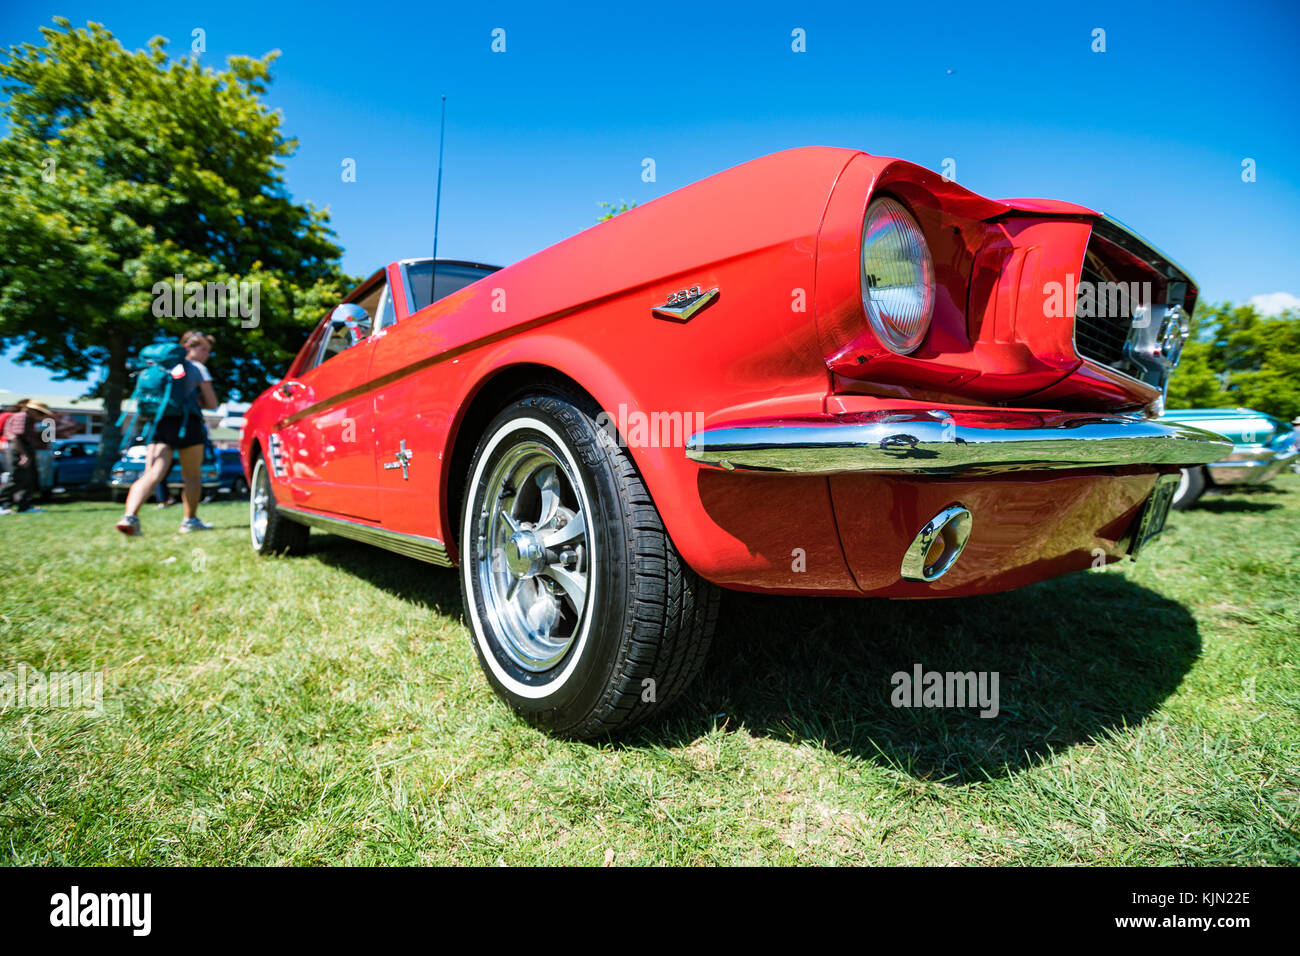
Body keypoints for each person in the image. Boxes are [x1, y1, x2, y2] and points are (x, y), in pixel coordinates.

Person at [115, 331, 219, 536]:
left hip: (160, 422)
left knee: (152, 473)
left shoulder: (158, 367)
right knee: (192, 476)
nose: (207, 354)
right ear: (188, 347)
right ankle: (190, 521)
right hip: (188, 424)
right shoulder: (196, 368)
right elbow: (213, 404)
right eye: (203, 349)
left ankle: (130, 516)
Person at [0, 399, 54, 515]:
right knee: (16, 477)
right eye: (40, 413)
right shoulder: (21, 416)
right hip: (18, 449)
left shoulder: (29, 420)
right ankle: (3, 505)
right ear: (32, 410)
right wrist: (23, 454)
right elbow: (16, 437)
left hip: (25, 448)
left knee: (28, 478)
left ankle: (24, 506)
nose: (41, 416)